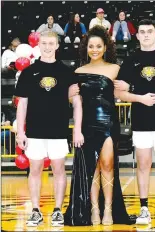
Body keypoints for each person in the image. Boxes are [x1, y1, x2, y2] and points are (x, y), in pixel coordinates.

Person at [64, 25, 136, 226]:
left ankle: (108, 211)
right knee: (92, 169)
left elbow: (121, 93)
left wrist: (137, 94)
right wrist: (69, 97)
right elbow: (74, 100)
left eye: (98, 46)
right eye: (90, 46)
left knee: (107, 165)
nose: (94, 49)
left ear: (105, 48)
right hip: (86, 125)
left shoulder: (115, 69)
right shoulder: (78, 71)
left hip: (108, 123)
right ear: (86, 48)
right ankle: (95, 211)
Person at [114, 19, 155, 225]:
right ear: (137, 36)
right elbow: (119, 91)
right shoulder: (131, 60)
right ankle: (144, 209)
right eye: (141, 32)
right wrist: (140, 98)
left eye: (149, 31)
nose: (145, 35)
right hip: (141, 124)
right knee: (143, 166)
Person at [15, 31, 80, 227]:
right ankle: (35, 210)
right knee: (34, 170)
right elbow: (22, 104)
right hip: (34, 132)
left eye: (51, 43)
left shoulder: (67, 72)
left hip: (58, 132)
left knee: (59, 170)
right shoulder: (28, 73)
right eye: (44, 43)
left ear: (57, 45)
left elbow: (77, 102)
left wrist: (76, 129)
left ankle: (58, 211)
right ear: (39, 44)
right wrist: (20, 132)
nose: (47, 46)